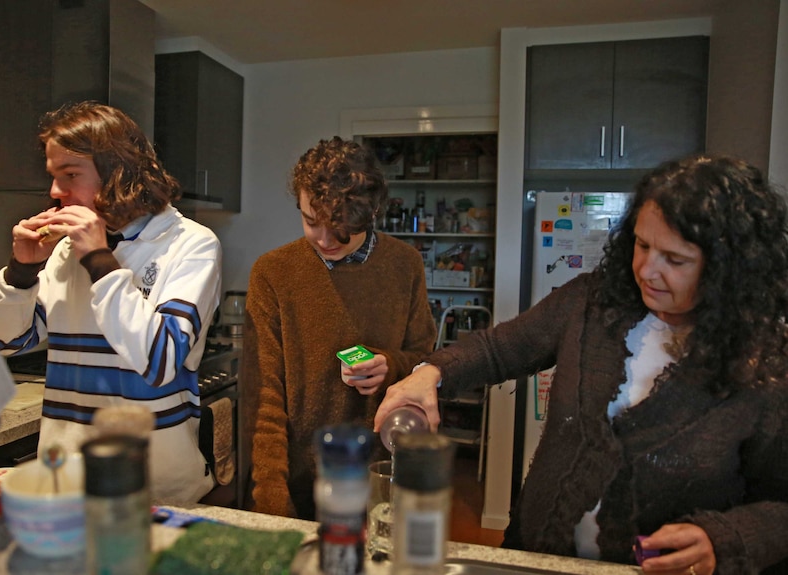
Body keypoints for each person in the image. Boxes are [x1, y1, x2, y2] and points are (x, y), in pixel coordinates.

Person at [374, 154, 788, 575]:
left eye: (675, 260)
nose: (647, 270)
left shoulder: (766, 363)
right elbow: (500, 349)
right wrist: (431, 373)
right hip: (537, 553)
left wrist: (726, 538)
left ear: (729, 269)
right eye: (642, 245)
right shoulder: (591, 301)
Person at [0, 101, 223, 505]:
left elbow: (160, 360)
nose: (55, 192)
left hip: (156, 487)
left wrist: (98, 260)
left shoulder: (191, 244)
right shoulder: (64, 251)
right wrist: (21, 272)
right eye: (54, 176)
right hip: (67, 483)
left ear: (118, 172)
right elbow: (13, 341)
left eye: (70, 175)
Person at [242, 136, 437, 520]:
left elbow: (425, 359)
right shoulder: (273, 272)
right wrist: (270, 499)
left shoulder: (404, 264)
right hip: (300, 478)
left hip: (384, 475)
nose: (324, 240)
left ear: (372, 210)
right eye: (311, 221)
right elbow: (264, 395)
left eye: (341, 226)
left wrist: (390, 365)